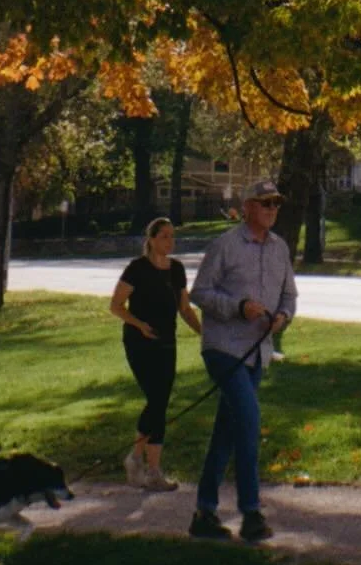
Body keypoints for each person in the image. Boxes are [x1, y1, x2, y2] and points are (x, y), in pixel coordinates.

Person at [187, 176, 296, 542]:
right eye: (265, 203)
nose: (272, 210)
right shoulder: (225, 246)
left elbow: (290, 296)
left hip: (257, 353)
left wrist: (283, 316)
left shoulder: (280, 249)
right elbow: (199, 292)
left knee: (227, 431)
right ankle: (251, 514)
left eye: (276, 204)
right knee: (249, 422)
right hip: (223, 348)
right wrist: (238, 307)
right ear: (247, 206)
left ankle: (204, 513)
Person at [110, 216, 201, 491]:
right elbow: (116, 306)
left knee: (160, 403)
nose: (170, 242)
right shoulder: (137, 268)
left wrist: (204, 333)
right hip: (140, 342)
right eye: (164, 236)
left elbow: (185, 309)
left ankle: (139, 461)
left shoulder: (176, 269)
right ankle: (150, 469)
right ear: (151, 239)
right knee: (157, 400)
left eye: (172, 236)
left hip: (166, 342)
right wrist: (139, 324)